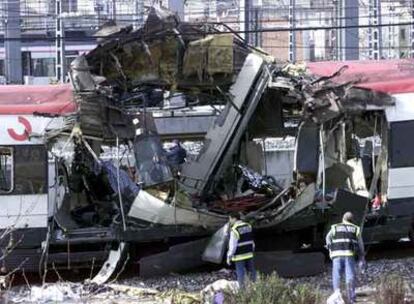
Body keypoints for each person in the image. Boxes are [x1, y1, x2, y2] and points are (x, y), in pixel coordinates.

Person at [326, 212, 365, 304]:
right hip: (349, 255)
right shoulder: (356, 229)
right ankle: (351, 297)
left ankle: (337, 296)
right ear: (352, 220)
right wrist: (362, 255)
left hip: (336, 255)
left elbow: (328, 237)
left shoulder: (335, 227)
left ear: (343, 219)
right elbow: (360, 243)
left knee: (337, 275)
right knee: (350, 276)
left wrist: (330, 247)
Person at [226, 212, 256, 287]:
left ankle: (242, 291)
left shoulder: (234, 230)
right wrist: (251, 250)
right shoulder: (248, 226)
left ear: (234, 218)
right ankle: (256, 288)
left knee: (240, 274)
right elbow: (252, 241)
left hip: (239, 256)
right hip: (249, 254)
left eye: (230, 219)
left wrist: (229, 256)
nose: (229, 221)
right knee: (252, 272)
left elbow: (233, 246)